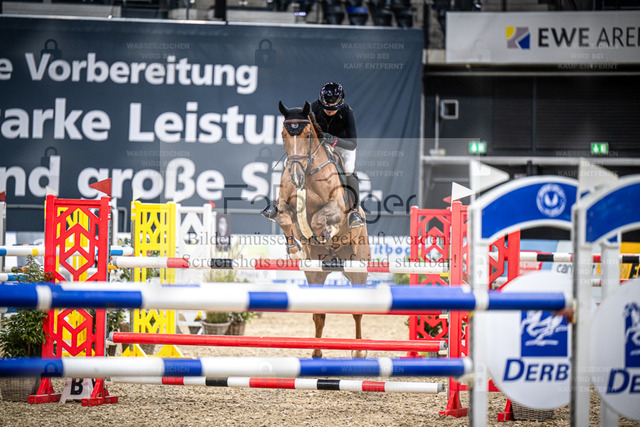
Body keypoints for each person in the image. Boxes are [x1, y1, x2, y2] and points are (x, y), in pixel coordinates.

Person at [261, 82, 364, 229]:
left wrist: (333, 139)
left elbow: (353, 143)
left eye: (333, 108)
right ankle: (278, 204)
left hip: (341, 145)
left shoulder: (347, 112)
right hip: (319, 144)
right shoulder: (314, 107)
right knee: (289, 163)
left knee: (349, 170)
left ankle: (354, 212)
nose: (329, 111)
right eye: (326, 108)